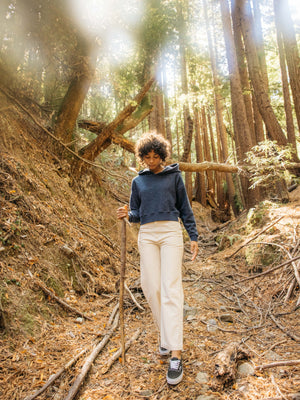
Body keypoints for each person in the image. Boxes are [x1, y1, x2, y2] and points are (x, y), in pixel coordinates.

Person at [117, 132, 198, 385]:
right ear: (141, 156)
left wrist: (193, 236)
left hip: (171, 232)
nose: (151, 161)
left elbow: (185, 207)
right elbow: (136, 213)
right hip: (148, 234)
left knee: (171, 288)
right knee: (151, 287)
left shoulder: (174, 176)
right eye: (147, 156)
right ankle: (165, 337)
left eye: (156, 156)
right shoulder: (137, 182)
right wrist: (127, 214)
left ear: (162, 155)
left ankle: (175, 353)